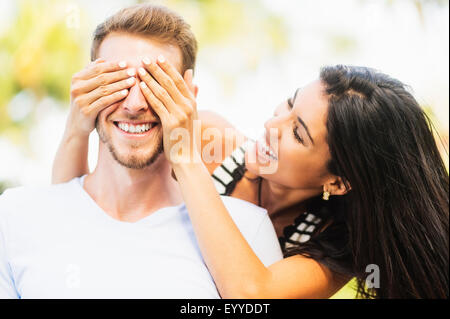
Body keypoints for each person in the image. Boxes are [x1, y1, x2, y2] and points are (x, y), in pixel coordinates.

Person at [55, 7, 448, 298]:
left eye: (297, 132)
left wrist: (185, 161)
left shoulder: (333, 245)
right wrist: (77, 129)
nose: (272, 126)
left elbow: (249, 296)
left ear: (338, 181)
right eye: (289, 104)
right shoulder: (210, 138)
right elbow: (71, 212)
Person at [0, 5, 284, 299]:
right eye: (117, 83)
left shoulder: (247, 231)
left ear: (190, 99)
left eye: (155, 85)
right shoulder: (14, 216)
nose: (134, 104)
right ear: (88, 89)